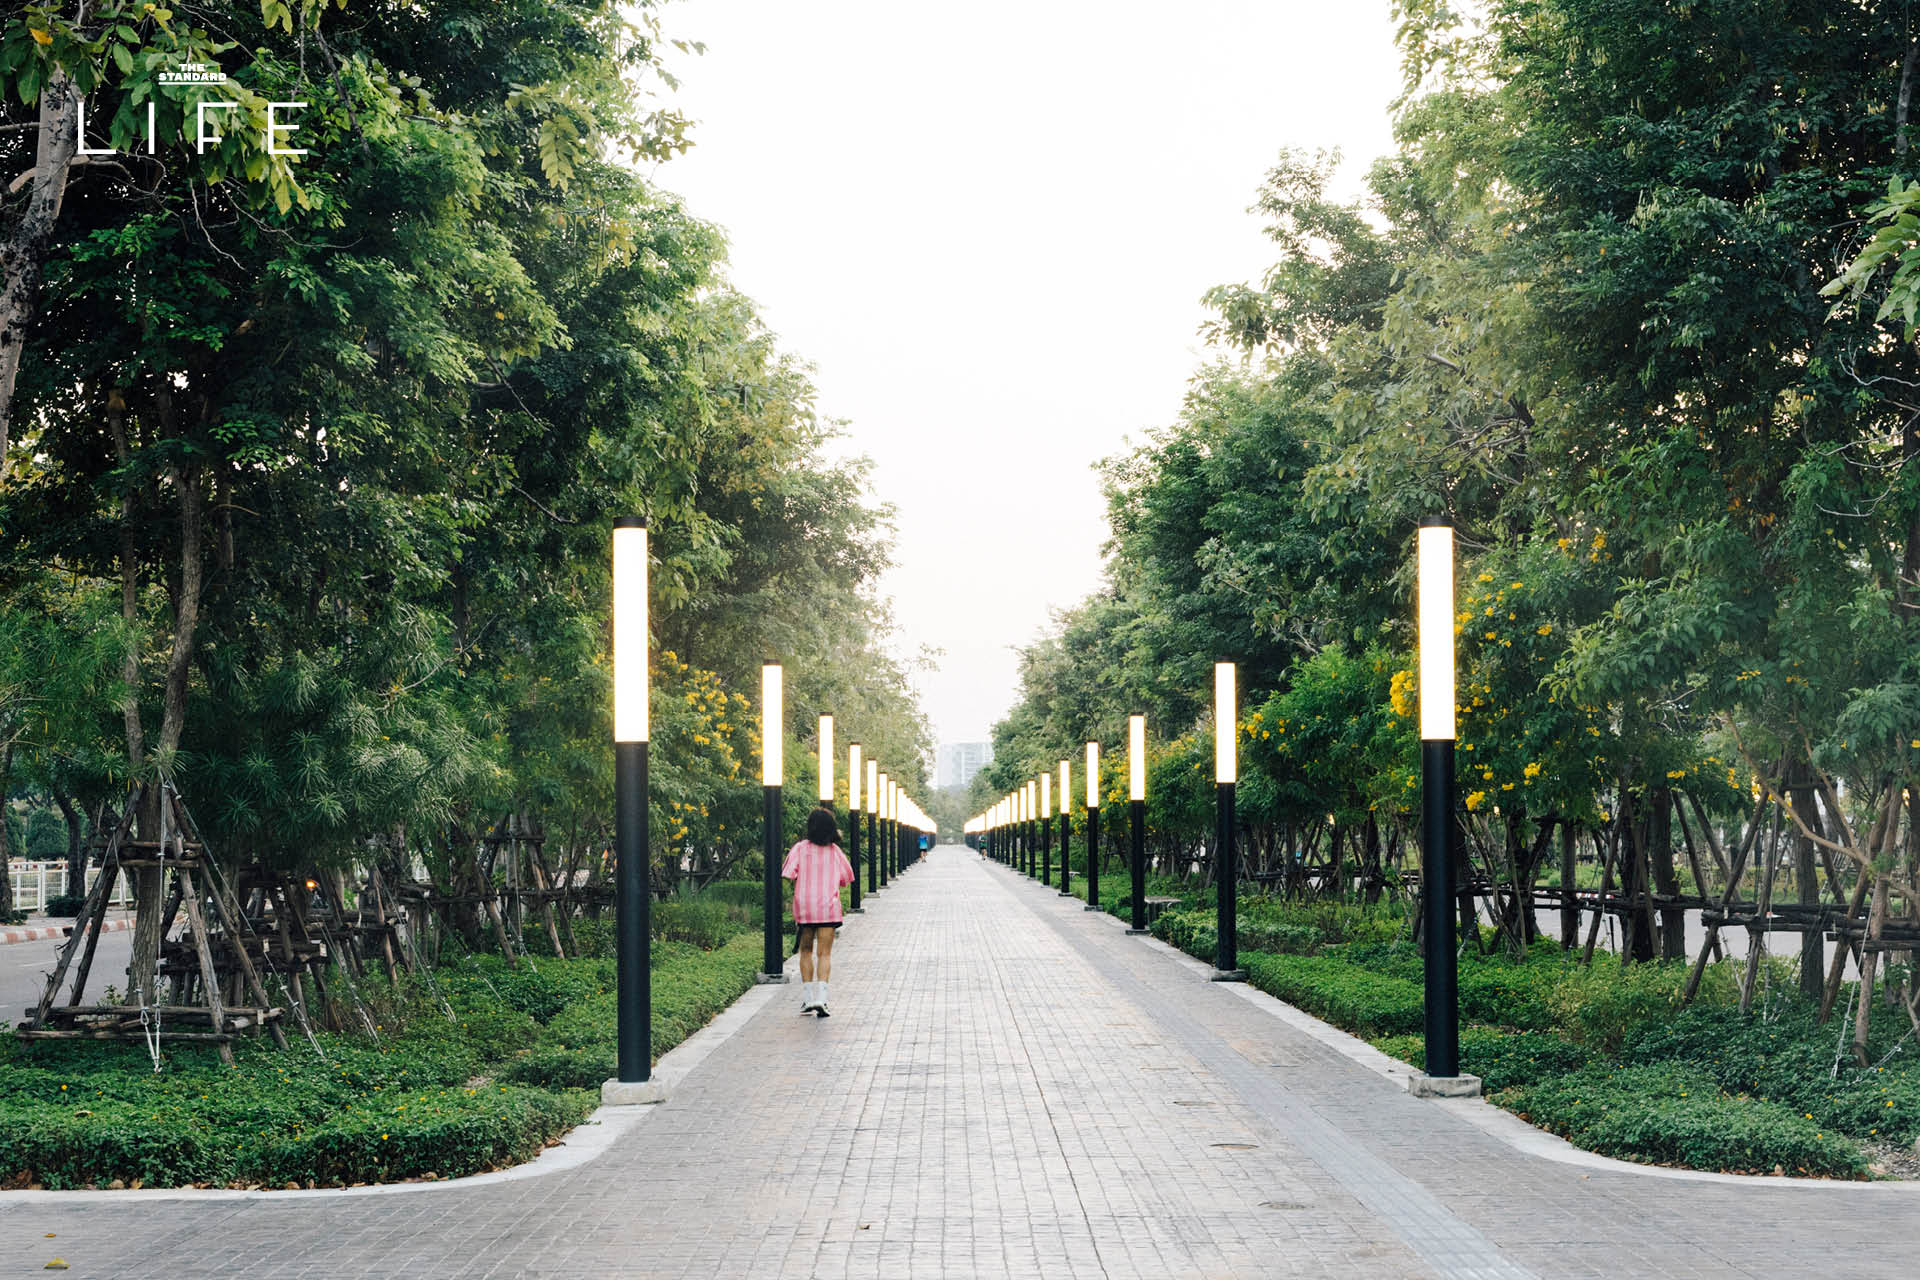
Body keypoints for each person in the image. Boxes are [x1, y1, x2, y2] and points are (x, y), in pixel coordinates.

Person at [782, 806, 855, 1017]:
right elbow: (846, 878)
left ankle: (807, 999)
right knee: (824, 953)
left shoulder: (800, 848)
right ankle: (822, 999)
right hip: (828, 907)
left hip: (805, 907)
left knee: (805, 951)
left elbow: (788, 873)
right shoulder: (835, 851)